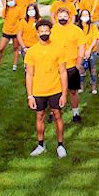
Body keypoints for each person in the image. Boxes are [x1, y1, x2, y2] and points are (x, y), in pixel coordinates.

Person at [25, 19, 68, 158]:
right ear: (37, 33)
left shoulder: (58, 48)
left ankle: (60, 145)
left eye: (46, 31)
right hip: (38, 91)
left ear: (50, 31)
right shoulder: (31, 52)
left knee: (57, 115)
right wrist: (30, 95)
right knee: (40, 116)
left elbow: (63, 72)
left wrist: (64, 93)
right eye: (41, 31)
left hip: (55, 89)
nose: (44, 33)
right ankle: (40, 145)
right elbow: (29, 75)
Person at [50, 8, 86, 123]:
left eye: (65, 16)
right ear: (56, 17)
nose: (62, 18)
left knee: (73, 91)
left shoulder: (76, 30)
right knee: (54, 91)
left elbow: (81, 46)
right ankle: (53, 112)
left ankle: (76, 113)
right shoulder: (52, 30)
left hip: (71, 66)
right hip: (55, 67)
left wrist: (78, 64)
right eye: (60, 16)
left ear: (69, 17)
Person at [0, 0, 23, 71]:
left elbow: (21, 20)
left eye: (11, 0)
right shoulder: (5, 10)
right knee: (1, 48)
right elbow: (4, 17)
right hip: (6, 31)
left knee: (16, 48)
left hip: (16, 32)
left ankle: (15, 65)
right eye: (8, 1)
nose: (10, 2)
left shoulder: (19, 9)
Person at [77, 10, 99, 95]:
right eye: (83, 15)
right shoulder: (77, 28)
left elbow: (95, 39)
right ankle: (81, 87)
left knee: (93, 70)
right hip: (80, 53)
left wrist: (89, 50)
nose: (85, 16)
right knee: (81, 70)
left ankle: (94, 87)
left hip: (91, 51)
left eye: (86, 14)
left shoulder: (93, 27)